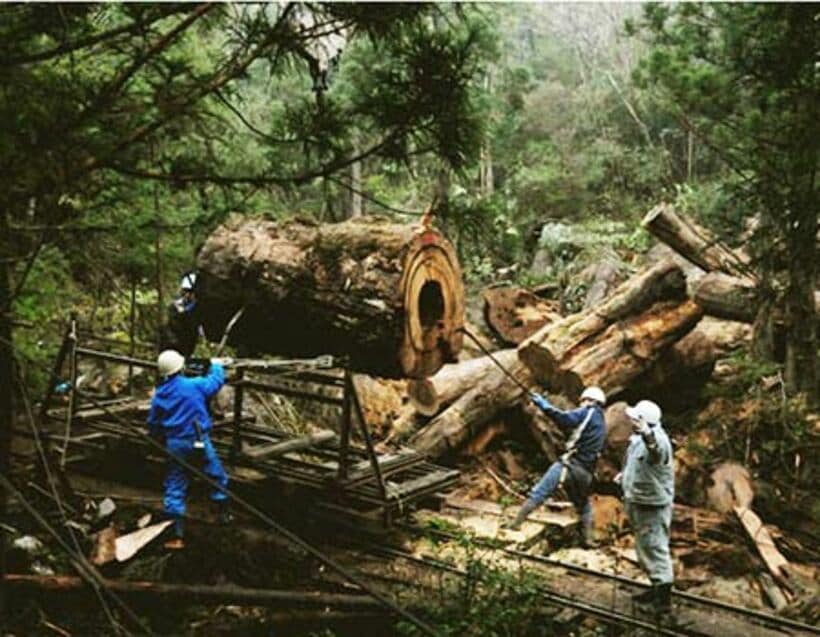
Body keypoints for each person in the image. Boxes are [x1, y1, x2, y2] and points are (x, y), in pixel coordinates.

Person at [147, 350, 231, 549]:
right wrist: (216, 364)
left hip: (175, 443)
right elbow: (215, 382)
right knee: (216, 476)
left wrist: (157, 438)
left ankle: (175, 535)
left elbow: (153, 423)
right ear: (181, 367)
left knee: (175, 485)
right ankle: (223, 514)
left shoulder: (160, 394)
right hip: (197, 438)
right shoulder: (194, 385)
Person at [504, 386, 607, 548]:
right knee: (583, 505)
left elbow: (565, 418)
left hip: (569, 466)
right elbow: (576, 432)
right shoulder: (601, 421)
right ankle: (588, 539)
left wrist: (544, 405)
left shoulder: (588, 412)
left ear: (589, 400)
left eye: (582, 401)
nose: (581, 404)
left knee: (539, 492)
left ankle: (515, 524)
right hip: (585, 473)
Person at [619, 399, 675, 617]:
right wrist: (624, 477)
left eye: (635, 419)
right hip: (639, 501)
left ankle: (662, 601)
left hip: (652, 504)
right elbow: (640, 465)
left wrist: (647, 434)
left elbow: (656, 451)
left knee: (655, 548)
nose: (631, 421)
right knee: (645, 549)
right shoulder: (636, 441)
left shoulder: (657, 440)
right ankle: (655, 587)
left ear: (644, 422)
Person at [162, 272, 203, 359]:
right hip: (173, 347)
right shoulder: (175, 307)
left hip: (187, 347)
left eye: (190, 292)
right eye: (186, 291)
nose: (187, 295)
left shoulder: (196, 308)